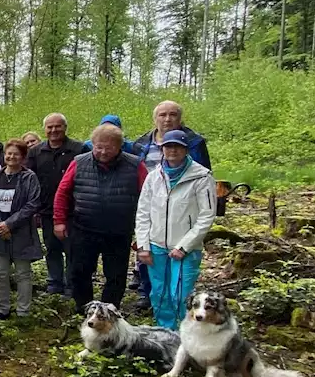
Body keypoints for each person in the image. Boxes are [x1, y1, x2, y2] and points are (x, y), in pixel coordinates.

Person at [53, 123, 147, 313]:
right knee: (79, 272)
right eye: (99, 147)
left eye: (109, 147)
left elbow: (149, 198)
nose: (103, 152)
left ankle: (109, 311)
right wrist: (59, 221)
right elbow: (62, 193)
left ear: (119, 146)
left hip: (119, 231)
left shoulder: (135, 165)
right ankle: (84, 308)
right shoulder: (79, 162)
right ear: (93, 144)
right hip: (84, 228)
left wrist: (144, 232)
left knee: (116, 275)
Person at [130, 101, 212, 310]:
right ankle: (164, 333)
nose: (172, 151)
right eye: (168, 147)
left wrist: (185, 245)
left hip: (184, 244)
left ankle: (183, 335)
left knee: (181, 295)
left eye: (178, 147)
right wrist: (143, 245)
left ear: (186, 149)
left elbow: (206, 214)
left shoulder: (201, 175)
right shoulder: (152, 174)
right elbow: (142, 212)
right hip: (156, 242)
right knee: (159, 294)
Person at [0, 139, 42, 319]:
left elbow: (33, 203)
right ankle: (3, 308)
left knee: (23, 273)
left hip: (22, 232)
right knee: (0, 273)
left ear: (23, 157)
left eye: (16, 154)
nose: (11, 157)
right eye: (8, 153)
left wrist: (10, 223)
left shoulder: (29, 177)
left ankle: (23, 311)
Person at [27, 113, 85, 296]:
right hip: (46, 211)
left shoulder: (78, 149)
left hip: (73, 211)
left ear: (65, 127)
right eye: (49, 127)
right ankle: (54, 283)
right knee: (52, 248)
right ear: (44, 129)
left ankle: (71, 285)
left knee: (72, 250)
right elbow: (30, 179)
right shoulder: (36, 152)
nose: (53, 130)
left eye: (57, 126)